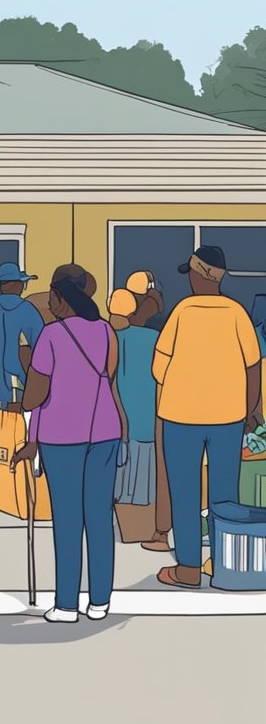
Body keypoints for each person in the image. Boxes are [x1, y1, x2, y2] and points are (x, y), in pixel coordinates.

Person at [13, 266, 124, 623]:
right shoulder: (107, 331)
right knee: (99, 517)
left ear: (60, 297)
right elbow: (108, 378)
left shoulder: (50, 336)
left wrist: (27, 368)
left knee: (68, 519)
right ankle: (100, 601)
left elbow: (35, 399)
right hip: (105, 431)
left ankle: (65, 604)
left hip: (62, 438)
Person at [152, 245, 261, 589]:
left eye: (193, 274)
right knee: (224, 493)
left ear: (200, 276)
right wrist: (252, 407)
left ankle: (188, 568)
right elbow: (253, 365)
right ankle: (220, 561)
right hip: (228, 416)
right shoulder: (237, 313)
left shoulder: (182, 312)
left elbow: (158, 368)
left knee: (185, 491)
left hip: (180, 416)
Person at [109, 276, 168, 551]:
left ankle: (128, 527)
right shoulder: (154, 338)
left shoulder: (109, 338)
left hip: (117, 426)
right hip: (150, 422)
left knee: (122, 481)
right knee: (146, 483)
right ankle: (143, 529)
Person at [0, 264, 45, 413]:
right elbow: (41, 349)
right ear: (15, 284)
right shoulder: (28, 310)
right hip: (18, 382)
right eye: (23, 283)